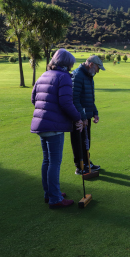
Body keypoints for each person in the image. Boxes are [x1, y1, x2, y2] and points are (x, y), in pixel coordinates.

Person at [31, 49, 83, 209]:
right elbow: (66, 103)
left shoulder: (44, 75)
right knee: (54, 162)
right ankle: (54, 198)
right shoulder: (64, 77)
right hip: (54, 127)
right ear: (66, 63)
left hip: (41, 125)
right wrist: (78, 119)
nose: (72, 66)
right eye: (71, 63)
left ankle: (50, 193)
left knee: (47, 160)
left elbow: (34, 99)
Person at [70, 55, 105, 175]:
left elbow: (89, 98)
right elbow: (74, 99)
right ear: (91, 65)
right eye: (97, 68)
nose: (98, 71)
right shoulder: (78, 75)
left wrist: (95, 112)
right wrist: (82, 117)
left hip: (86, 115)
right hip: (78, 117)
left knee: (86, 141)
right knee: (78, 141)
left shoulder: (89, 76)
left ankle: (86, 162)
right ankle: (79, 166)